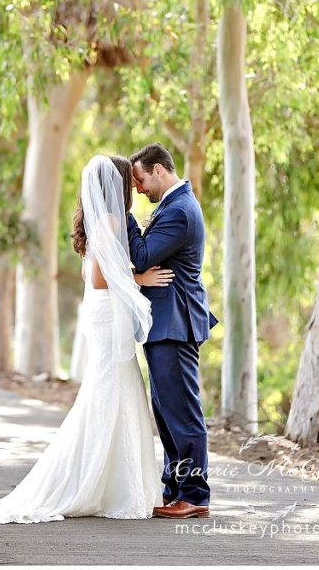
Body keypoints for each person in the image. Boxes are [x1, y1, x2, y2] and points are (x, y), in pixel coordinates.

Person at [0, 155, 169, 524]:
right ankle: (103, 484)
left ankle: (115, 484)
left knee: (116, 390)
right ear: (119, 185)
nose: (135, 188)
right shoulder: (109, 219)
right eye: (129, 181)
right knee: (111, 390)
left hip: (104, 314)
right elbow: (100, 278)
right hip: (106, 312)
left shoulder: (100, 219)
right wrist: (141, 281)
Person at [128, 143, 218, 519]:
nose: (138, 189)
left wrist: (126, 216)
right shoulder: (172, 205)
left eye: (141, 179)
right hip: (163, 323)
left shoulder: (179, 211)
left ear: (159, 171)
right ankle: (174, 489)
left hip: (176, 323)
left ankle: (195, 494)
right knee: (165, 413)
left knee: (182, 413)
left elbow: (143, 255)